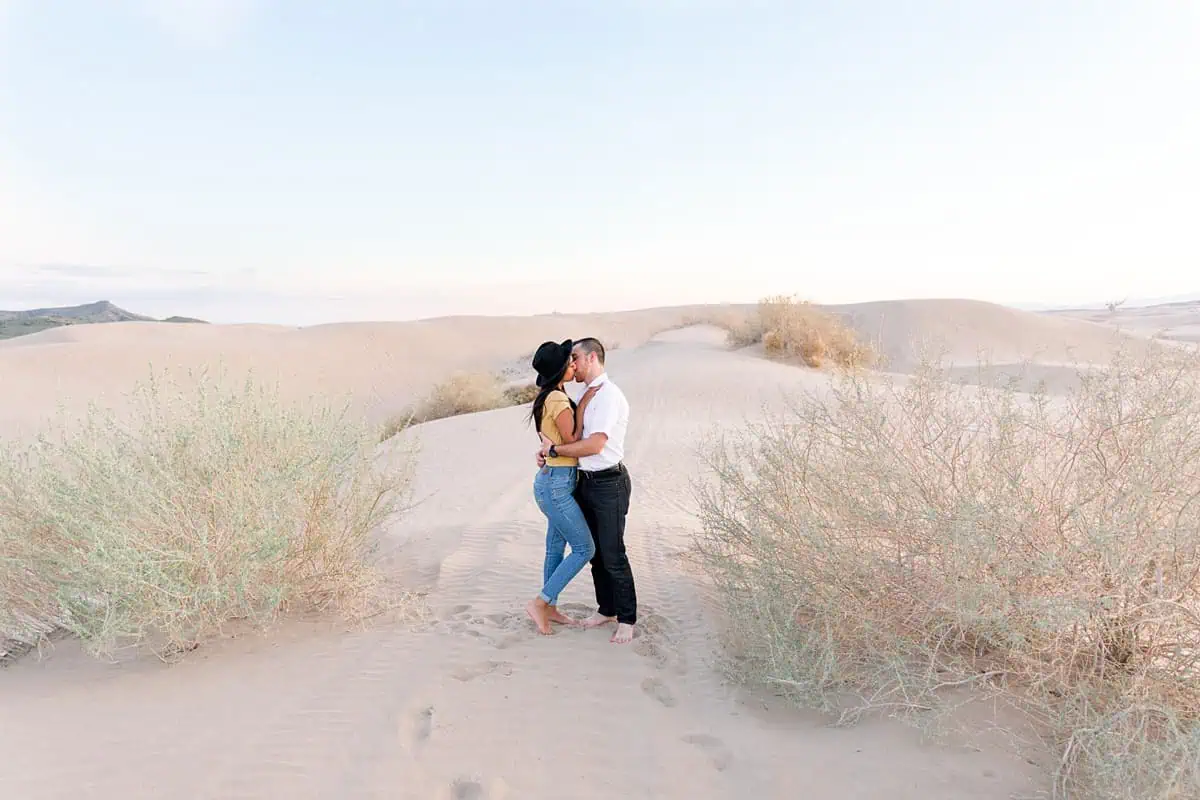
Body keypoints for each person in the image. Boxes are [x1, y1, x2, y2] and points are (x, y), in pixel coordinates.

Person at [537, 337, 637, 644]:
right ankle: (606, 608)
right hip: (584, 482)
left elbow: (596, 445)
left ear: (592, 358)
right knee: (594, 554)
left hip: (609, 483)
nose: (573, 364)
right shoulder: (584, 393)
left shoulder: (608, 396)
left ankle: (626, 618)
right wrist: (551, 452)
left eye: (576, 357)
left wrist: (555, 451)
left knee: (612, 553)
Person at [525, 339, 602, 635]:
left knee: (556, 547)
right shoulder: (558, 400)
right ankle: (541, 602)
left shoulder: (550, 397)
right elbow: (573, 442)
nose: (574, 364)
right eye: (569, 362)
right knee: (584, 548)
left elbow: (558, 441)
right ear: (560, 370)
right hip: (556, 484)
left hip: (553, 481)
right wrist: (585, 402)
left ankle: (551, 608)